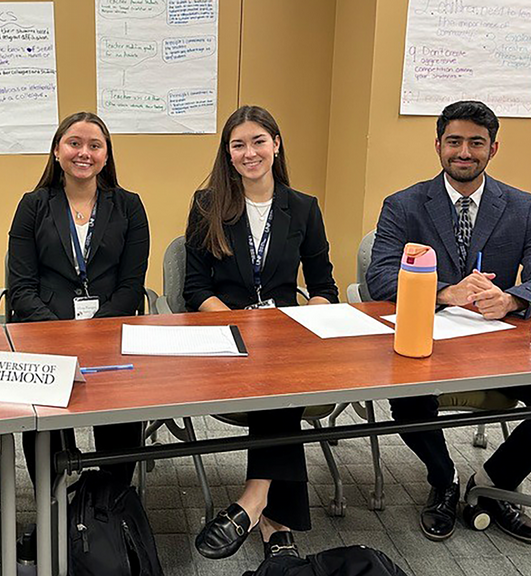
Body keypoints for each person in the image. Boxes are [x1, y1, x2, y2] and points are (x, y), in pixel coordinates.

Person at [367, 100, 531, 545]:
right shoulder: (404, 204)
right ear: (438, 146)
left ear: (493, 148)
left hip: (499, 347)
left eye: (475, 142)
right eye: (454, 142)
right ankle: (444, 479)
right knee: (409, 403)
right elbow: (379, 277)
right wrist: (446, 292)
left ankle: (490, 484)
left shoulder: (524, 207)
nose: (463, 151)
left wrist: (509, 299)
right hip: (428, 341)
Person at [185, 105, 338, 561]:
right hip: (225, 335)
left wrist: (308, 317)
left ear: (276, 145)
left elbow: (324, 285)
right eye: (238, 145)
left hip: (285, 339)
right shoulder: (207, 205)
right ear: (228, 153)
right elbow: (196, 287)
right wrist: (235, 324)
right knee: (281, 392)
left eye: (258, 141)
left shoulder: (304, 208)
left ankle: (253, 502)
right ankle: (276, 524)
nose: (249, 153)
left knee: (281, 382)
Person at [7, 111, 149, 488]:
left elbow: (131, 287)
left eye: (94, 145)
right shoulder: (33, 206)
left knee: (122, 415)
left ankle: (110, 503)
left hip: (110, 334)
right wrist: (64, 335)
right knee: (45, 426)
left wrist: (95, 334)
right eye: (74, 143)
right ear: (57, 151)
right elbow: (21, 288)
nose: (83, 152)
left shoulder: (129, 206)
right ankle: (54, 504)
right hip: (45, 336)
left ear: (106, 155)